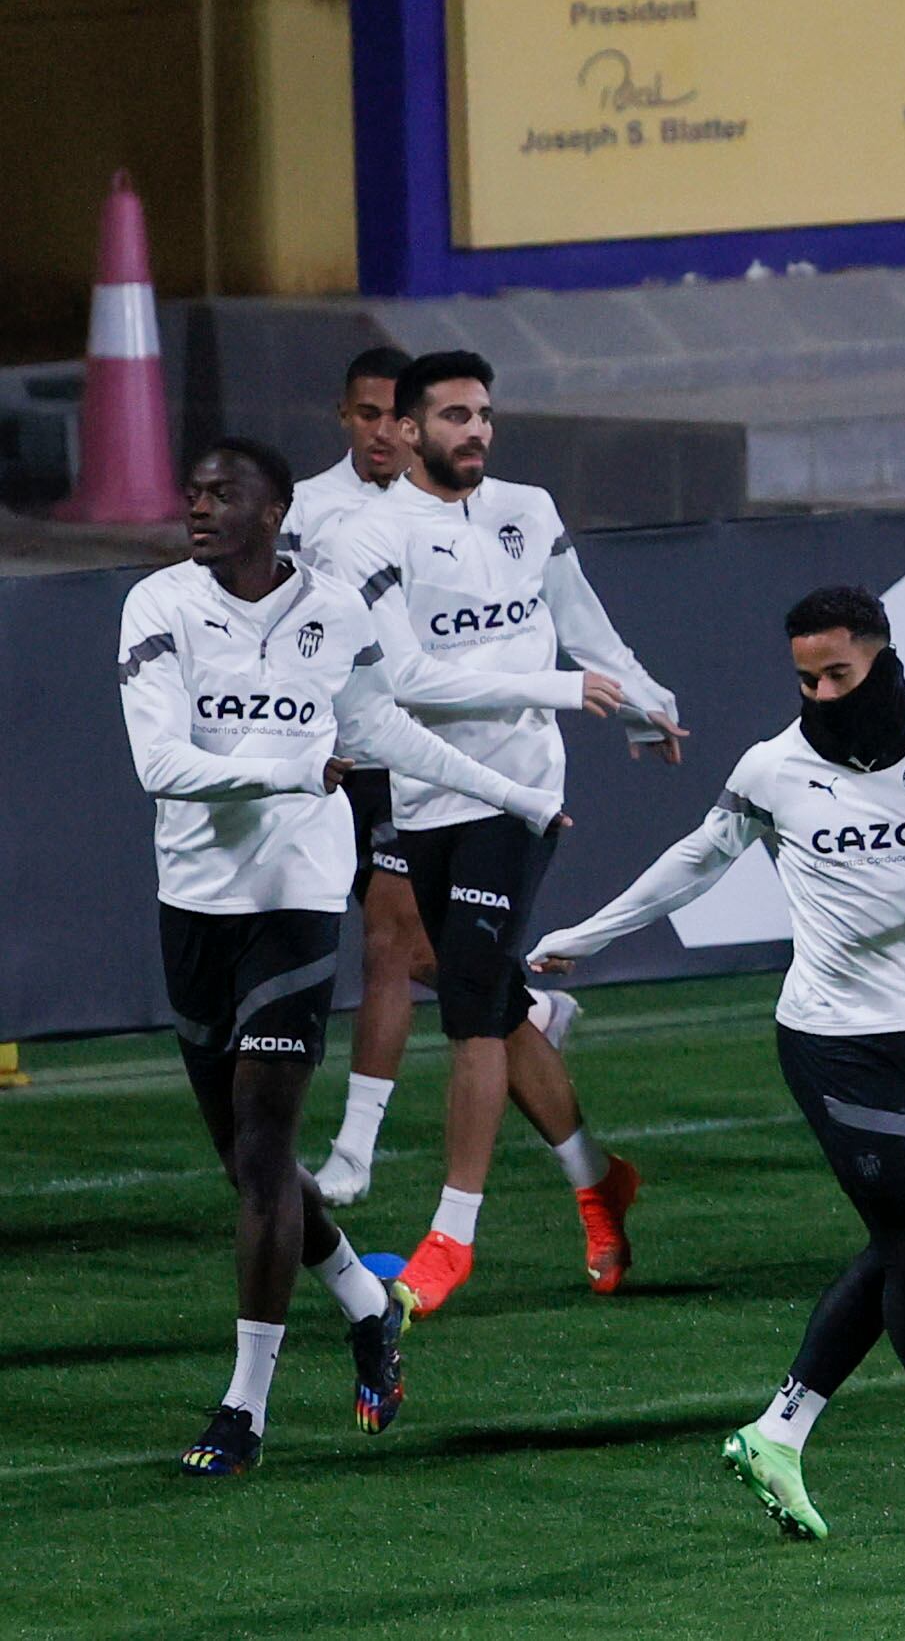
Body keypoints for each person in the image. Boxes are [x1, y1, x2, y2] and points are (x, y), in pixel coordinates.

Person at [531, 587, 905, 1541]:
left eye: (838, 675)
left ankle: (780, 1430)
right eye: (805, 679)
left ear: (882, 658)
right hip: (830, 1039)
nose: (820, 694)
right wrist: (591, 935)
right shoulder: (774, 766)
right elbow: (695, 860)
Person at [122, 438, 564, 1475]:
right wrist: (297, 762)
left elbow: (383, 730)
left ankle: (245, 1404)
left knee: (267, 1153)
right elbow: (159, 765)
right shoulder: (158, 607)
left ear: (273, 511)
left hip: (299, 900)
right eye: (191, 490)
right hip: (194, 901)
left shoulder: (334, 612)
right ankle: (367, 1304)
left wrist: (516, 795)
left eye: (221, 493)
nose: (197, 504)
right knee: (242, 1159)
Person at [333, 351, 688, 1317]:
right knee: (489, 997)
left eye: (485, 413)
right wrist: (561, 689)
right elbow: (407, 679)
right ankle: (595, 1176)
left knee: (473, 1007)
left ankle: (453, 1234)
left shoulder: (529, 508)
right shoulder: (367, 540)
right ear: (404, 431)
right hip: (429, 793)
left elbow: (589, 629)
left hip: (524, 795)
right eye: (453, 416)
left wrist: (641, 706)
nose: (476, 431)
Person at [291, 349, 587, 1208]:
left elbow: (451, 658)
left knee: (390, 943)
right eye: (369, 415)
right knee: (440, 962)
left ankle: (359, 1153)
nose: (385, 431)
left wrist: (606, 689)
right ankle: (531, 1027)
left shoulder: (499, 513)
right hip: (350, 757)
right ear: (348, 419)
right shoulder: (318, 513)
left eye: (399, 416)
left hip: (436, 764)